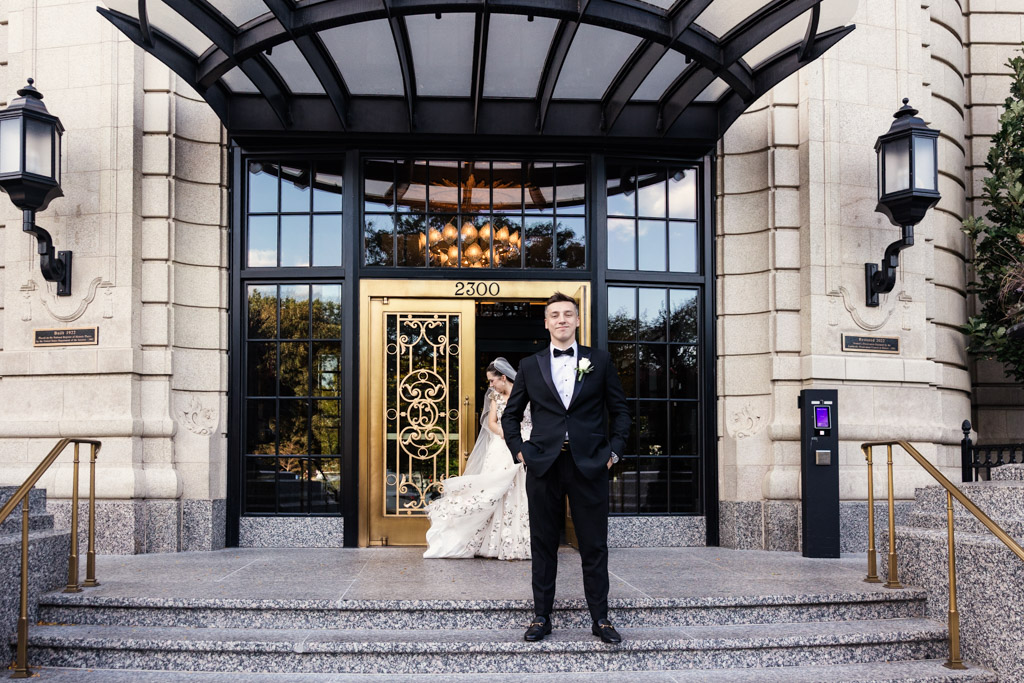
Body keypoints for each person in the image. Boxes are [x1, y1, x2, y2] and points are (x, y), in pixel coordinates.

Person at [501, 292, 631, 645]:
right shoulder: (530, 365)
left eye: (567, 314)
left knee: (594, 544)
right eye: (554, 315)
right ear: (546, 322)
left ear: (576, 321)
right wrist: (520, 452)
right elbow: (510, 415)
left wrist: (613, 453)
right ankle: (541, 617)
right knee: (543, 544)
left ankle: (601, 619)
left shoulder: (600, 361)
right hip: (544, 464)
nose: (561, 320)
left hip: (590, 464)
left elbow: (620, 411)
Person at [422, 358, 532, 560]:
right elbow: (491, 422)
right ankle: (492, 542)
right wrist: (504, 433)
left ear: (503, 377)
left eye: (492, 381)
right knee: (493, 491)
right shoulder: (494, 398)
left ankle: (519, 540)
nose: (490, 385)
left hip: (525, 444)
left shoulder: (526, 394)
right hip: (501, 445)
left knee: (520, 491)